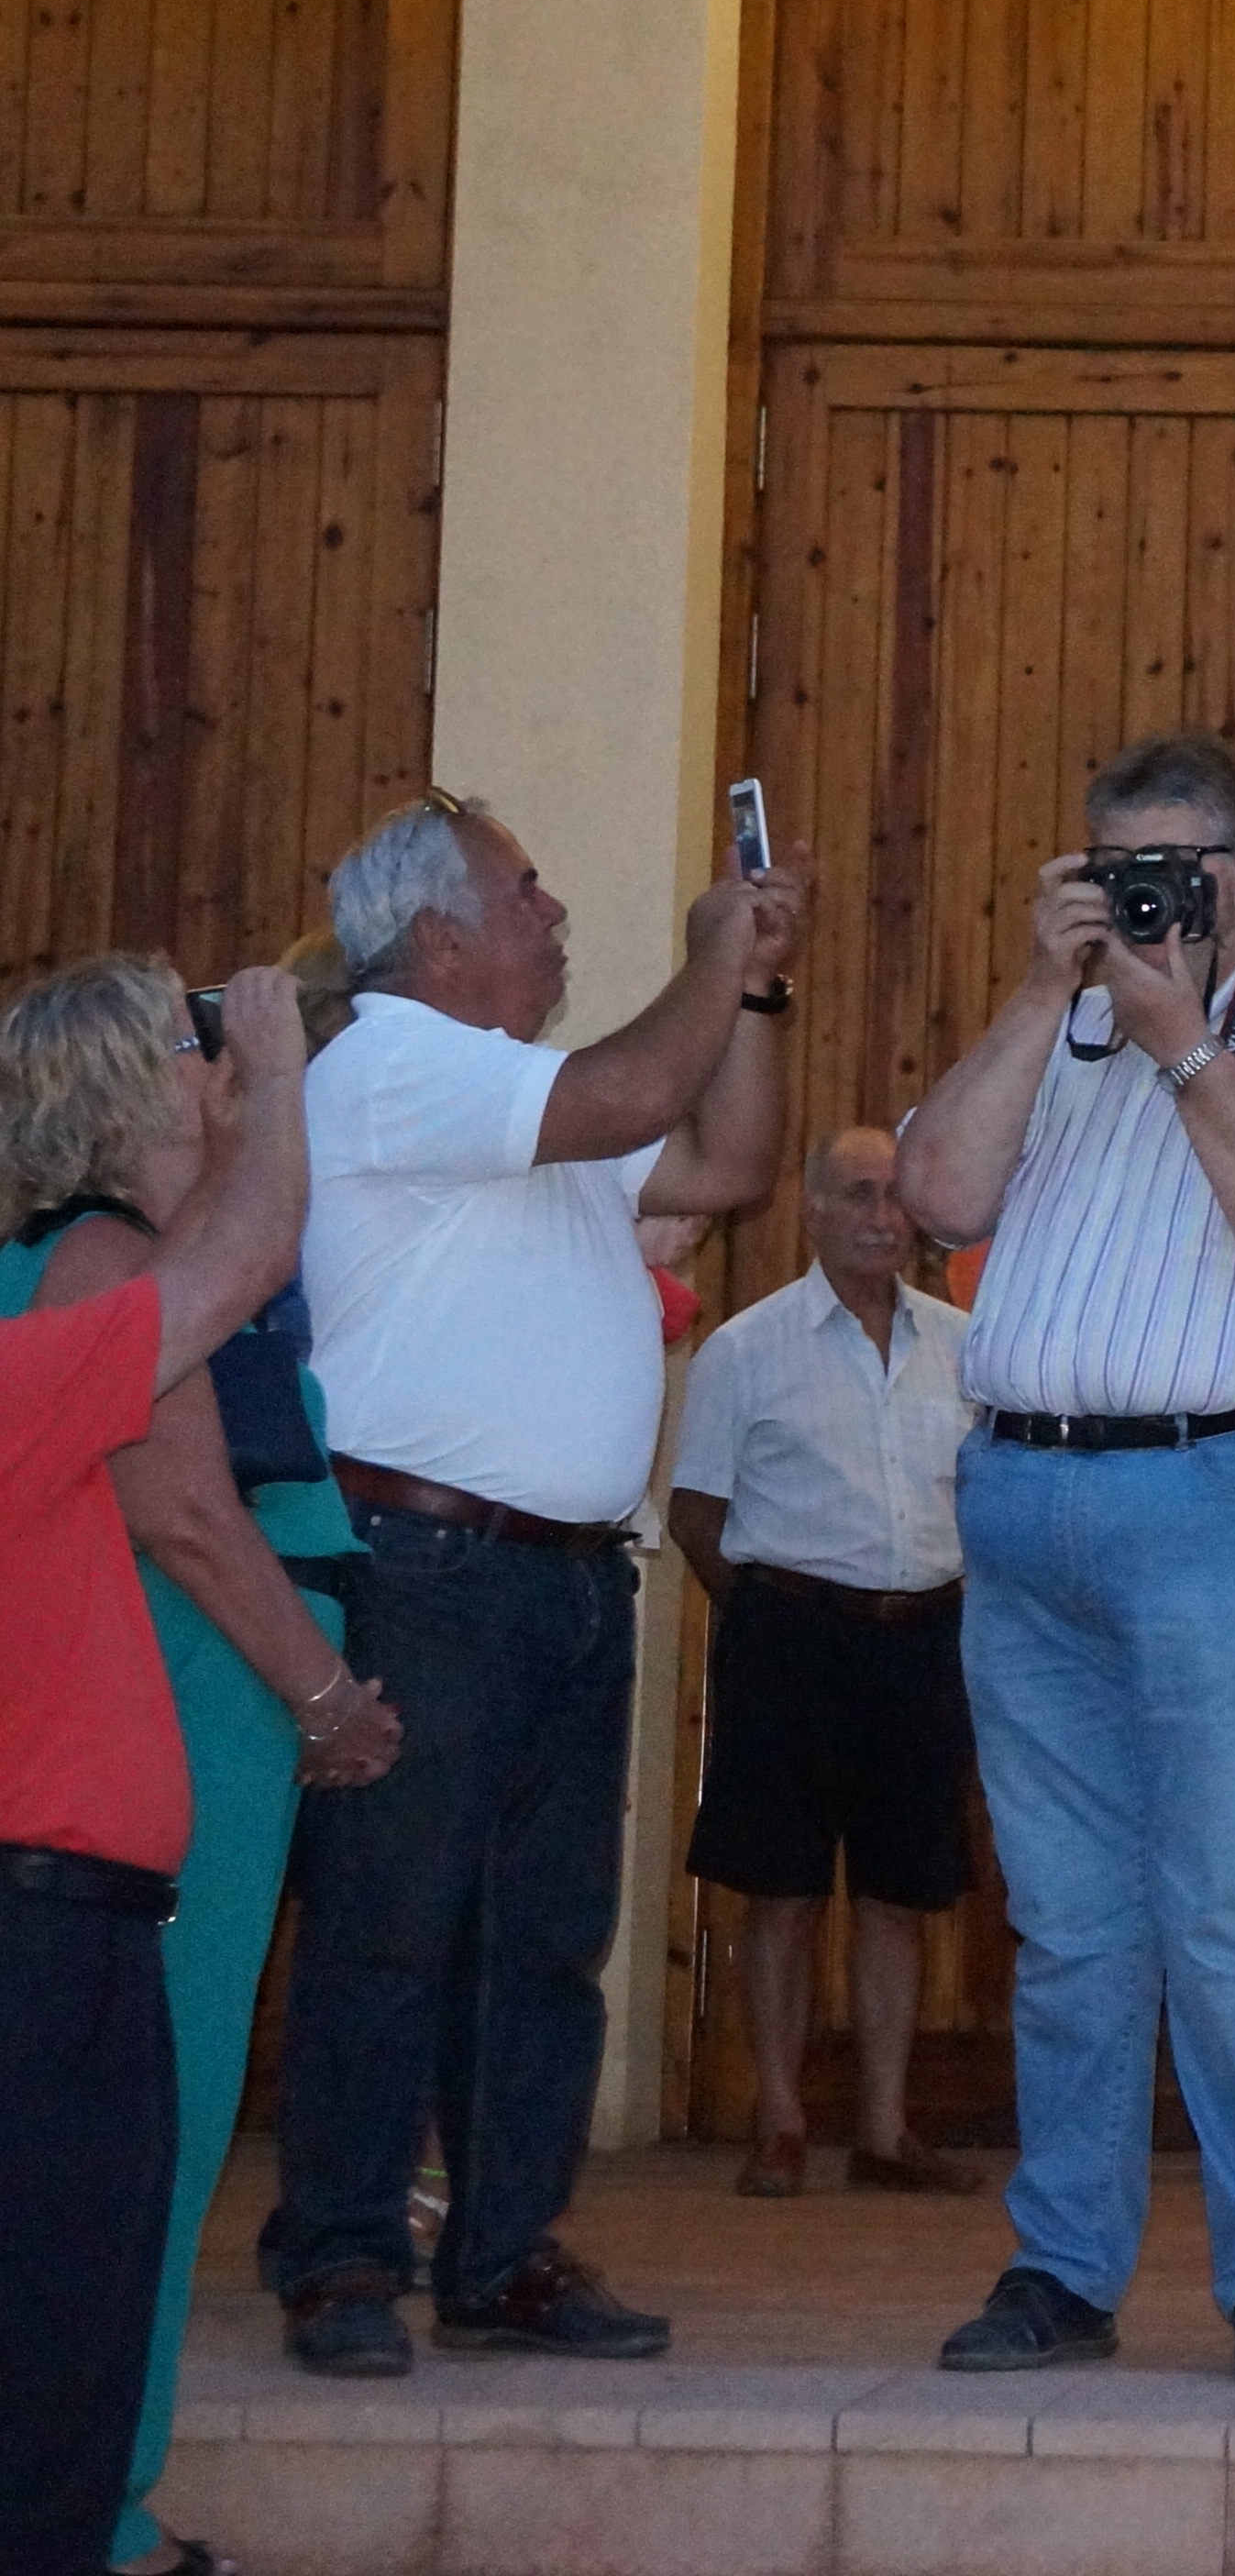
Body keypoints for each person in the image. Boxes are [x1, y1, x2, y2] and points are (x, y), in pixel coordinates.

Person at [262, 793, 802, 2379]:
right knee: (388, 1923)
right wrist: (709, 948)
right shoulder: (389, 1054)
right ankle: (345, 2251)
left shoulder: (510, 1091)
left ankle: (501, 2248)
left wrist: (758, 983)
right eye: (527, 889)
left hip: (561, 1577)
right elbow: (644, 1083)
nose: (555, 911)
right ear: (437, 933)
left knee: (541, 1941)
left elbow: (727, 1155)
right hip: (427, 1565)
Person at [894, 730, 1235, 2394]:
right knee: (1069, 1922)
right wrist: (1048, 995)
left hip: (1234, 1502)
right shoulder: (1055, 1021)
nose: (1145, 894)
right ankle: (1063, 2262)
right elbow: (937, 1188)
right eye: (1116, 864)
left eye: (1176, 864)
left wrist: (1185, 1043)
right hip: (1028, 1506)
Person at [1, 962, 398, 2576]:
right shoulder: (101, 1254)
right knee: (126, 2144)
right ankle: (93, 2506)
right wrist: (316, 1691)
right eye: (193, 1030)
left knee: (132, 2134)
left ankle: (98, 2492)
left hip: (178, 1710)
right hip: (172, 1711)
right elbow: (177, 1503)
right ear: (128, 1082)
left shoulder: (121, 1250)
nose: (222, 1044)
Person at [667, 1126, 988, 2204]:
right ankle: (781, 2120)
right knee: (784, 1888)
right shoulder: (746, 1349)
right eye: (858, 1194)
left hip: (927, 1641)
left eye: (898, 1198)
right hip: (792, 1639)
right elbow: (697, 1511)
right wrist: (769, 1614)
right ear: (809, 1209)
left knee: (903, 1892)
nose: (881, 1217)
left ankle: (886, 2128)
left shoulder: (966, 1348)